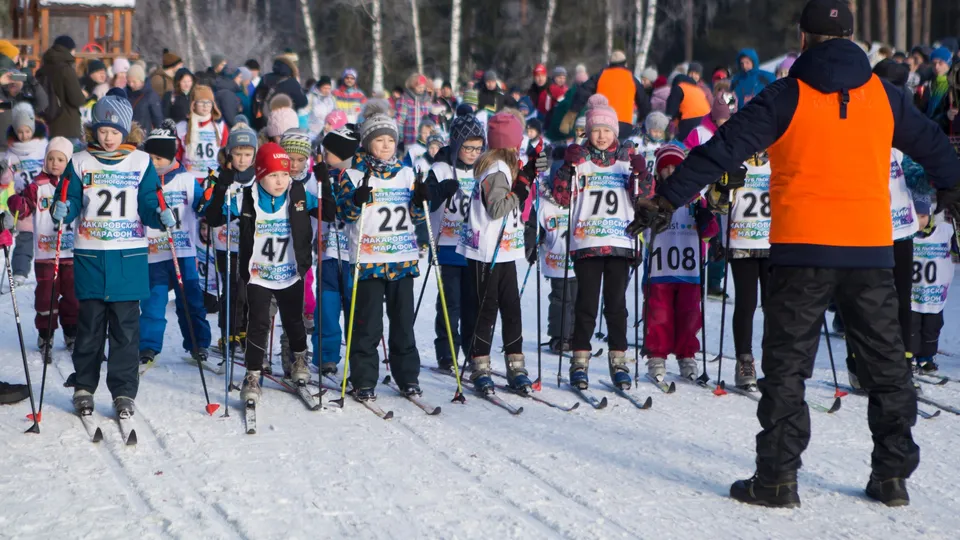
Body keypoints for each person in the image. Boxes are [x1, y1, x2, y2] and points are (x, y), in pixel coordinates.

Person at [629, 0, 960, 508]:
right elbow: (935, 145)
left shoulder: (785, 95)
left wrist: (665, 200)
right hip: (870, 250)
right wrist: (953, 187)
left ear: (802, 39)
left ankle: (778, 480)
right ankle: (892, 478)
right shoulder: (885, 96)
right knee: (888, 367)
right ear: (851, 38)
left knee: (787, 370)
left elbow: (722, 150)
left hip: (802, 250)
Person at [51, 90, 169, 419]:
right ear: (94, 129)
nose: (108, 138)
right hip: (91, 257)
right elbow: (70, 199)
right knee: (89, 328)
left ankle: (123, 392)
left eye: (115, 132)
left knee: (125, 333)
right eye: (102, 131)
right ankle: (84, 386)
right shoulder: (79, 161)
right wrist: (63, 209)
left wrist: (159, 214)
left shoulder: (141, 161)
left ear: (127, 131)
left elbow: (149, 201)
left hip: (128, 259)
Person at [207, 142, 328, 403]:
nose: (280, 180)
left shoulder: (297, 193)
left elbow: (328, 212)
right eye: (273, 175)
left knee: (295, 322)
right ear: (260, 175)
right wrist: (222, 184)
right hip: (258, 274)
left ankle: (299, 360)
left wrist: (324, 180)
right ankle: (252, 374)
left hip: (291, 272)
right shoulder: (246, 196)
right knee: (258, 324)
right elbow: (214, 217)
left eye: (284, 174)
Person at [552, 95, 649, 389]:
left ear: (615, 133)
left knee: (616, 306)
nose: (602, 136)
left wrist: (642, 174)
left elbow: (643, 199)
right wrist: (566, 169)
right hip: (587, 243)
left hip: (620, 241)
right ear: (587, 132)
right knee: (586, 305)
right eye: (596, 131)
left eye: (607, 131)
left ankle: (618, 361)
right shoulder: (579, 160)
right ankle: (579, 361)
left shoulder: (626, 161)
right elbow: (561, 197)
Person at [336, 100, 426, 400]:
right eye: (379, 140)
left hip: (401, 259)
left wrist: (422, 199)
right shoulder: (351, 174)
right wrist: (354, 200)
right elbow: (344, 216)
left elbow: (417, 215)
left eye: (390, 140)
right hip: (368, 261)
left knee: (403, 324)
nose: (386, 145)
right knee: (367, 325)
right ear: (367, 142)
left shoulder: (407, 174)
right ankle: (363, 379)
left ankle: (408, 377)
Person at [458, 111, 544, 394]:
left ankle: (515, 364)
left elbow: (519, 183)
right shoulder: (495, 169)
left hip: (503, 249)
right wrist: (520, 186)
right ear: (509, 144)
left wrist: (529, 171)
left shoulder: (503, 165)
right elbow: (497, 208)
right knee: (487, 309)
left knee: (512, 308)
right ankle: (479, 364)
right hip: (488, 251)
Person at [638, 144, 718, 383]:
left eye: (675, 166)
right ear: (658, 171)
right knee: (658, 314)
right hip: (659, 269)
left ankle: (687, 354)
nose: (670, 171)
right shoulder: (652, 197)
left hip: (689, 270)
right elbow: (641, 232)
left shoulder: (695, 198)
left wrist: (707, 222)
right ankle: (657, 355)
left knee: (690, 314)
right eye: (666, 167)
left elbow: (709, 233)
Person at [139, 121, 211, 370]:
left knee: (191, 301)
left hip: (183, 252)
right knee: (152, 303)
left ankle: (198, 343)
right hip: (153, 253)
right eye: (149, 157)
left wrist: (210, 201)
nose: (153, 163)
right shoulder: (142, 181)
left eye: (158, 158)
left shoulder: (186, 180)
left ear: (170, 157)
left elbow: (203, 206)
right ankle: (147, 345)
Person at [705, 151, 770, 390]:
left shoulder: (781, 157)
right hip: (741, 242)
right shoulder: (732, 158)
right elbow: (714, 204)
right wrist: (723, 186)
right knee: (746, 303)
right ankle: (744, 361)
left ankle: (775, 364)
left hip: (775, 242)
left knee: (775, 305)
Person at [6, 136, 77, 353]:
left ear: (69, 162)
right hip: (46, 251)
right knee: (46, 295)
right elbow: (25, 207)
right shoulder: (38, 186)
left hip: (71, 251)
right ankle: (46, 333)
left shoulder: (75, 185)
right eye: (51, 158)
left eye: (61, 159)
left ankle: (72, 331)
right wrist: (16, 203)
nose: (55, 163)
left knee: (73, 296)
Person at [425, 113, 485, 371]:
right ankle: (447, 353)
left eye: (478, 148)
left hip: (474, 247)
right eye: (467, 147)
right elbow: (424, 202)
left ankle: (473, 352)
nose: (472, 153)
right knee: (450, 304)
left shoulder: (484, 169)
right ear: (457, 143)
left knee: (473, 303)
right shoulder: (440, 169)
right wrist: (440, 192)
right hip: (447, 246)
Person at [205, 119, 258, 357]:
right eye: (238, 154)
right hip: (225, 243)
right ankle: (228, 333)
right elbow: (207, 209)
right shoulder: (219, 175)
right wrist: (219, 187)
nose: (243, 159)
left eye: (248, 154)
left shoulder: (258, 176)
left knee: (248, 289)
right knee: (231, 288)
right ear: (229, 154)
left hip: (251, 243)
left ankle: (245, 331)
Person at [312, 126, 359, 374]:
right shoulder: (322, 175)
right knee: (327, 310)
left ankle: (359, 355)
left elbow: (344, 210)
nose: (323, 155)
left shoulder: (357, 175)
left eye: (328, 152)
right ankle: (326, 355)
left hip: (353, 255)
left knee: (356, 309)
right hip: (328, 254)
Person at [2, 102, 47, 284]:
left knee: (46, 235)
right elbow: (6, 180)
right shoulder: (12, 153)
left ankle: (51, 269)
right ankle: (20, 271)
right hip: (23, 202)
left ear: (33, 129)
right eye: (20, 132)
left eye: (27, 131)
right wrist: (3, 170)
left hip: (44, 197)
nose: (24, 135)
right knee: (24, 237)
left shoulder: (43, 147)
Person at [563, 51, 651, 141]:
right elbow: (644, 102)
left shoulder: (600, 76)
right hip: (624, 124)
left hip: (602, 122)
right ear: (625, 64)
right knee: (620, 151)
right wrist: (642, 119)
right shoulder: (632, 79)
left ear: (610, 63)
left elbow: (582, 93)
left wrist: (573, 111)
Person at [907, 212, 956, 374]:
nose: (920, 221)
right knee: (910, 328)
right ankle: (910, 356)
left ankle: (927, 358)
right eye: (916, 216)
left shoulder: (945, 231)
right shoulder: (906, 232)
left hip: (935, 296)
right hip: (912, 296)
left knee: (932, 328)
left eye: (923, 216)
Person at [35, 35, 83, 141]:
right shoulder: (66, 69)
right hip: (67, 126)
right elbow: (76, 99)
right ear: (70, 49)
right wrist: (84, 96)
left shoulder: (43, 68)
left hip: (47, 123)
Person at [176, 85, 228, 174]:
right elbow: (178, 154)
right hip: (189, 175)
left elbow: (225, 152)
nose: (205, 106)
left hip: (213, 175)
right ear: (193, 104)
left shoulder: (220, 126)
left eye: (208, 102)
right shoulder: (182, 127)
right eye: (201, 102)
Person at [252, 56, 308, 131]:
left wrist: (258, 122)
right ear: (290, 67)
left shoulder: (265, 78)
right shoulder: (292, 82)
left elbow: (256, 101)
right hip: (286, 125)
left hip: (265, 123)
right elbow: (303, 102)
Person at [665, 71, 712, 141]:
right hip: (707, 120)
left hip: (690, 121)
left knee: (685, 145)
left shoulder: (678, 87)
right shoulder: (698, 89)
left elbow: (671, 110)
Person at [396, 73, 433, 147]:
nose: (421, 89)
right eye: (419, 87)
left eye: (423, 87)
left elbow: (429, 117)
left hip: (424, 139)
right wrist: (400, 137)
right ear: (412, 86)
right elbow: (400, 120)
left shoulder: (427, 99)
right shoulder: (405, 99)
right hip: (410, 139)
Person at [126, 65, 163, 134]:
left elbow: (157, 119)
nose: (131, 84)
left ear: (141, 81)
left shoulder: (151, 96)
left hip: (144, 136)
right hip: (127, 135)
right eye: (128, 81)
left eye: (134, 82)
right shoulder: (125, 93)